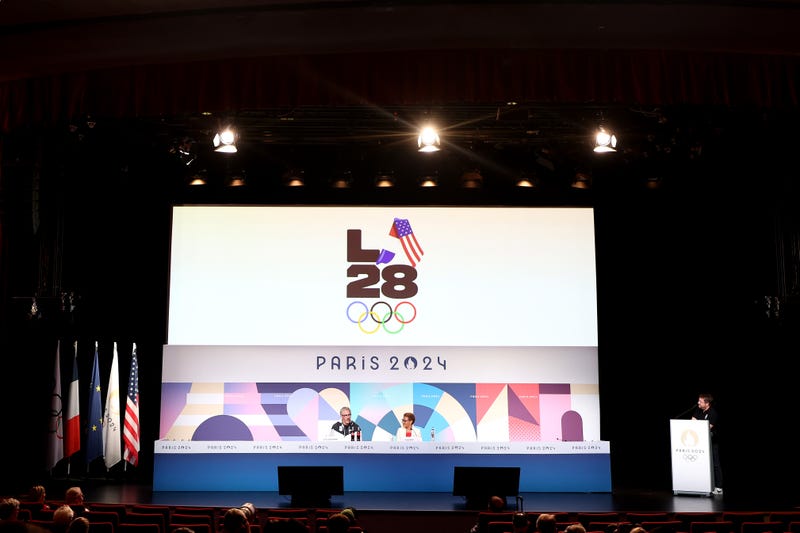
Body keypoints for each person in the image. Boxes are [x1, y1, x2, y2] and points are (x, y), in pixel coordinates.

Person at [692, 392, 723, 495]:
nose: (698, 403)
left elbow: (706, 428)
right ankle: (703, 485)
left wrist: (698, 424)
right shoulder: (698, 410)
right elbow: (692, 422)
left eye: (700, 401)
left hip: (712, 443)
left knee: (715, 464)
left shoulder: (713, 413)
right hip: (699, 443)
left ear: (707, 403)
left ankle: (719, 487)